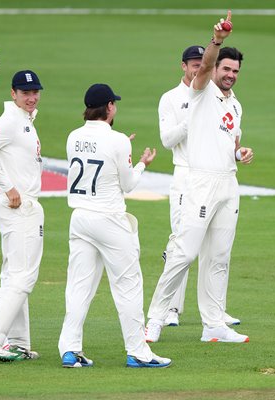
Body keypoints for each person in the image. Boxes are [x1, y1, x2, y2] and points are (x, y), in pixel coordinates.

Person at [146, 11, 253, 343]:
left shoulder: (235, 106)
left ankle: (213, 324)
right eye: (226, 68)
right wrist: (217, 40)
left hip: (228, 182)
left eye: (235, 71)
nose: (231, 75)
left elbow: (228, 141)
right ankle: (154, 319)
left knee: (219, 256)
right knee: (184, 252)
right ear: (215, 68)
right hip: (200, 182)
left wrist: (240, 153)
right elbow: (204, 66)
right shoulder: (200, 90)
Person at [58, 83, 171, 368]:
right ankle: (138, 352)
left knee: (79, 286)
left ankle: (70, 349)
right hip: (108, 218)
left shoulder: (74, 137)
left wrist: (124, 150)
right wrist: (141, 162)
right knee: (128, 285)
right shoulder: (119, 140)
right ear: (109, 107)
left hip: (80, 217)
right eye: (114, 104)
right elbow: (128, 183)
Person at [158, 44, 240, 327]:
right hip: (186, 174)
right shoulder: (173, 98)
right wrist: (190, 123)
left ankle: (216, 311)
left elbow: (230, 139)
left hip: (219, 176)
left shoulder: (225, 98)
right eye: (193, 62)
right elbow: (167, 140)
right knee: (182, 243)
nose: (197, 66)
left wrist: (240, 153)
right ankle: (169, 309)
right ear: (184, 65)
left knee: (217, 250)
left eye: (200, 61)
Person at [0, 70, 45, 362]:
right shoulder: (11, 121)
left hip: (23, 205)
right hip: (19, 206)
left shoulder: (24, 120)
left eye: (35, 92)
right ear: (13, 94)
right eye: (25, 93)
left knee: (15, 274)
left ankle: (17, 342)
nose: (31, 97)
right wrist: (9, 187)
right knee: (22, 276)